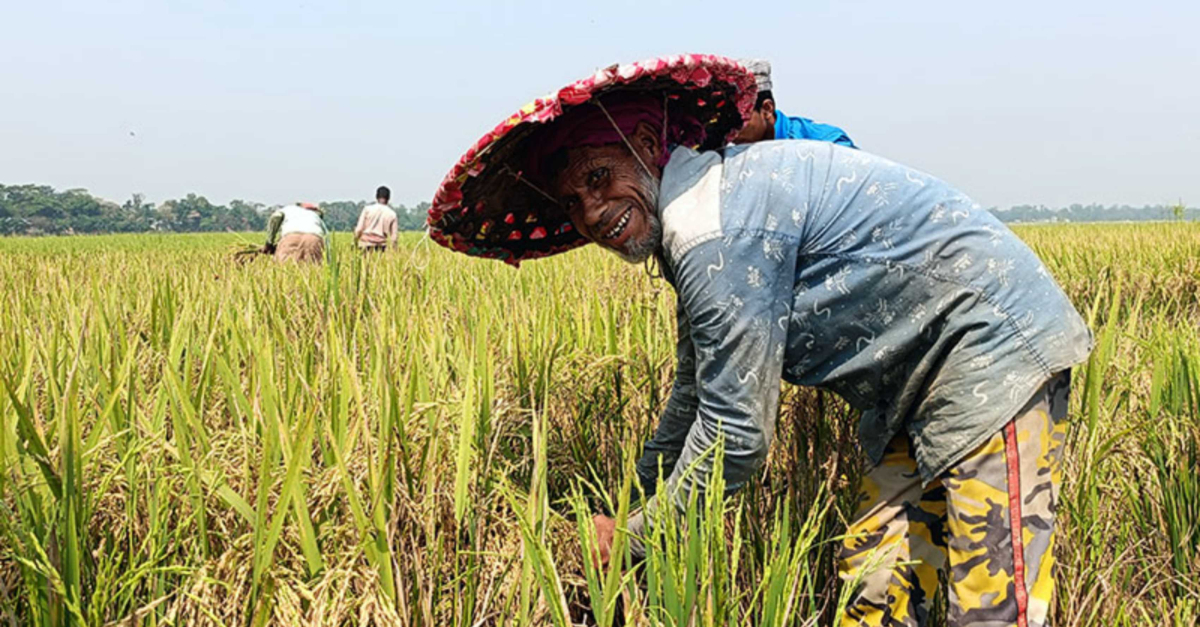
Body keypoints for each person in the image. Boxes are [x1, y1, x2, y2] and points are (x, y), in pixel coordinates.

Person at [428, 55, 1093, 627]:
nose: (592, 213)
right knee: (877, 583)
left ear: (646, 146)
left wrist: (628, 538)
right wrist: (627, 502)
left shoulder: (712, 227)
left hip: (985, 347)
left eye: (599, 178)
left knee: (992, 598)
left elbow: (736, 437)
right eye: (572, 201)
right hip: (909, 387)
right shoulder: (690, 228)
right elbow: (695, 391)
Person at [732, 59, 856, 147]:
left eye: (739, 119)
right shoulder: (728, 153)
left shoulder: (827, 143)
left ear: (767, 109)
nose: (732, 133)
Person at [354, 186, 399, 252]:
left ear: (376, 196)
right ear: (389, 198)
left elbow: (359, 229)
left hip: (365, 245)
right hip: (381, 247)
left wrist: (355, 241)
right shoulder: (392, 214)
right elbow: (394, 238)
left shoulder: (367, 209)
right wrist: (395, 251)